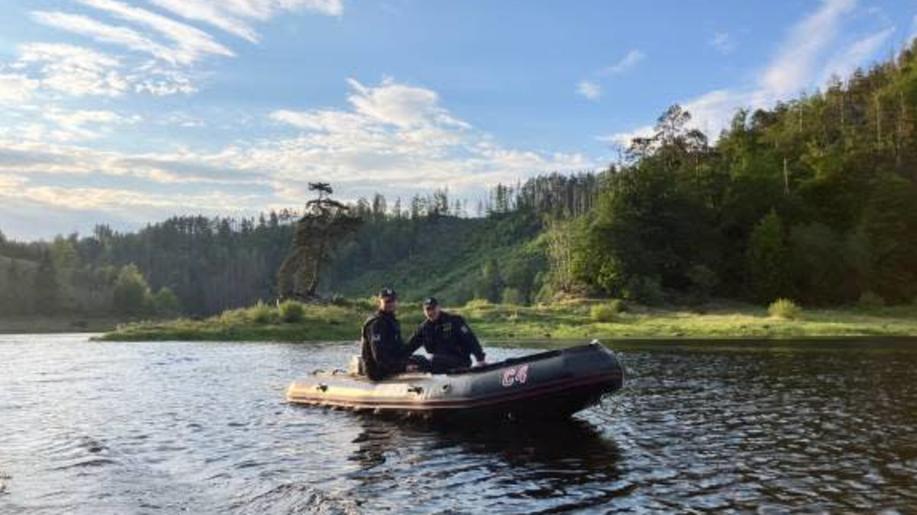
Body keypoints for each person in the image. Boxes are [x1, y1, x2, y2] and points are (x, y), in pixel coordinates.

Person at [360, 288, 429, 380]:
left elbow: (398, 349)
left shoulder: (392, 321)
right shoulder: (376, 324)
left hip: (392, 362)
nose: (390, 304)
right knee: (416, 363)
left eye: (393, 301)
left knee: (421, 360)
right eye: (387, 301)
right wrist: (403, 367)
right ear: (380, 302)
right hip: (377, 370)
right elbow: (379, 358)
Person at [405, 297, 486, 373]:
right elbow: (410, 346)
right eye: (428, 309)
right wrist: (401, 361)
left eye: (433, 309)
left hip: (459, 360)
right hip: (439, 362)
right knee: (414, 359)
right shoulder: (424, 328)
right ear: (424, 311)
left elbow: (470, 340)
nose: (431, 312)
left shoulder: (454, 321)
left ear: (438, 308)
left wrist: (480, 359)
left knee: (434, 359)